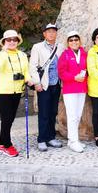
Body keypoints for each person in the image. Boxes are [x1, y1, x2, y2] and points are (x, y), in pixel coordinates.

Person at [0, 29, 33, 157]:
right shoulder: (0, 55)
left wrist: (29, 80)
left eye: (14, 39)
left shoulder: (22, 55)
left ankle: (1, 144)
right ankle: (7, 145)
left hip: (17, 90)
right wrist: (4, 53)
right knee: (7, 118)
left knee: (10, 119)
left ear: (18, 41)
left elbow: (26, 71)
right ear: (4, 42)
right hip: (4, 91)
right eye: (8, 40)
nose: (12, 42)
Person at [29, 23, 64, 152]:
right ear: (44, 34)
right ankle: (42, 139)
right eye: (48, 31)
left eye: (53, 31)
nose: (51, 33)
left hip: (56, 83)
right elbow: (32, 66)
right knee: (43, 112)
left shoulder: (60, 46)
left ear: (56, 33)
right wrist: (37, 83)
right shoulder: (37, 47)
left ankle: (51, 137)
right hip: (43, 84)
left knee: (53, 111)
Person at [58, 30, 88, 153]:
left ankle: (72, 140)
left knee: (78, 115)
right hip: (70, 89)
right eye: (71, 40)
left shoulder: (84, 53)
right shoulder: (65, 55)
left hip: (82, 88)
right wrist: (74, 77)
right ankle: (74, 141)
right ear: (68, 42)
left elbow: (88, 69)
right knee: (72, 116)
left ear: (79, 41)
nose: (74, 42)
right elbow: (61, 72)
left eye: (76, 39)